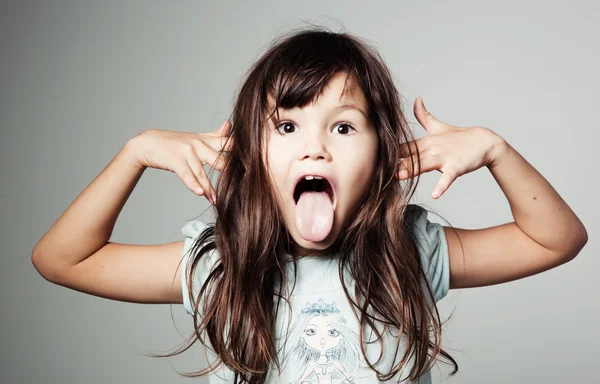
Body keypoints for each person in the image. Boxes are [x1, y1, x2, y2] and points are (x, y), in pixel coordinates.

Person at [31, 27, 588, 384]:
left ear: (383, 156)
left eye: (343, 127)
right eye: (288, 126)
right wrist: (136, 152)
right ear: (252, 153)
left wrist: (495, 150)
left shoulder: (407, 251)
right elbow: (63, 259)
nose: (314, 146)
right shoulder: (219, 262)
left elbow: (556, 239)